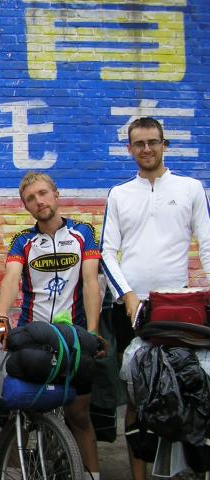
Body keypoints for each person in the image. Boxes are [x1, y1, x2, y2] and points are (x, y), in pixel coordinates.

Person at [100, 117, 210, 480]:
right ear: (129, 149)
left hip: (177, 309)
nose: (146, 149)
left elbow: (207, 245)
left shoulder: (191, 188)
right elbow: (107, 252)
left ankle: (181, 471)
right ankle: (139, 476)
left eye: (153, 142)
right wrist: (127, 296)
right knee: (136, 395)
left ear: (164, 144)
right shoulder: (119, 194)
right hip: (132, 310)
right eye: (139, 144)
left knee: (183, 389)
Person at [0, 172, 102, 479]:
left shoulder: (83, 233)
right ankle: (14, 472)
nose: (38, 201)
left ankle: (92, 475)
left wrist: (93, 333)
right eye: (30, 198)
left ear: (56, 194)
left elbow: (92, 282)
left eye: (43, 193)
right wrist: (1, 316)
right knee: (24, 412)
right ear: (25, 205)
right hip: (32, 336)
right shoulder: (23, 241)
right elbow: (11, 278)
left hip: (74, 336)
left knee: (79, 415)